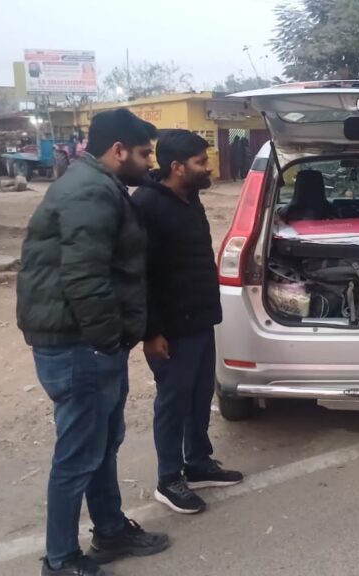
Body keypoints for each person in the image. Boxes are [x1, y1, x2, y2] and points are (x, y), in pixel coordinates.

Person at [16, 108, 169, 576]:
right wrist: (107, 341)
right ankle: (61, 559)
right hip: (79, 345)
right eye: (143, 153)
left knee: (102, 444)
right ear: (118, 150)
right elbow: (85, 277)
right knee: (79, 453)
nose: (150, 163)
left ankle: (110, 530)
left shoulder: (99, 184)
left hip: (88, 343)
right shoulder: (90, 191)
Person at [133, 130, 243, 516]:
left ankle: (197, 463)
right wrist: (151, 332)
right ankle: (169, 479)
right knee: (173, 402)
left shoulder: (190, 197)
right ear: (177, 167)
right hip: (170, 329)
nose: (208, 167)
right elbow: (140, 275)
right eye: (201, 161)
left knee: (199, 397)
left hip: (199, 318)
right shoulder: (146, 205)